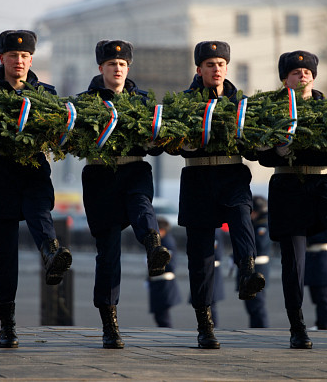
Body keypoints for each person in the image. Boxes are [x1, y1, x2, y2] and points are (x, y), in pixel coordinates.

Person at [0, 30, 72, 348]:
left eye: (25, 56)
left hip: (32, 171)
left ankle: (51, 253)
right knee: (4, 256)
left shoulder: (47, 94)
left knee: (39, 213)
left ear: (31, 59)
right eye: (13, 56)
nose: (19, 61)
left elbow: (62, 135)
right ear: (2, 58)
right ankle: (8, 325)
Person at [257, 50, 327, 349]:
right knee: (293, 264)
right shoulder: (271, 111)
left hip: (321, 175)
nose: (302, 75)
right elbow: (259, 154)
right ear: (284, 78)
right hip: (288, 182)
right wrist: (277, 150)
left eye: (306, 71)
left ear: (314, 76)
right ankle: (297, 326)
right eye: (294, 72)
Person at [79, 39, 171, 349]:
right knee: (108, 254)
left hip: (134, 169)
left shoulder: (144, 103)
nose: (117, 68)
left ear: (128, 68)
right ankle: (110, 323)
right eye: (111, 64)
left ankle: (153, 245)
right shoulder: (83, 103)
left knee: (141, 204)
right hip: (100, 176)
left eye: (122, 64)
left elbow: (158, 146)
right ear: (100, 68)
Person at [177, 40, 265, 349]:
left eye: (221, 64)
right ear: (199, 69)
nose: (217, 69)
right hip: (198, 178)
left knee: (242, 217)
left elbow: (255, 146)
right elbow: (168, 142)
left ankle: (248, 271)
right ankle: (205, 323)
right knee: (200, 257)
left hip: (231, 175)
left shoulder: (241, 103)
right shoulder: (184, 102)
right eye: (211, 64)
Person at [237, 196, 271, 328]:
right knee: (251, 305)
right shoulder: (256, 224)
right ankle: (255, 327)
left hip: (259, 267)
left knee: (257, 304)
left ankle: (261, 328)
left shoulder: (262, 225)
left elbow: (260, 244)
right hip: (253, 266)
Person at [148, 219, 181, 328]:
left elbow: (171, 265)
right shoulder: (163, 241)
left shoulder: (167, 243)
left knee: (163, 317)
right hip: (158, 282)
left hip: (164, 283)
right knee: (159, 315)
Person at [304, 231, 327, 330]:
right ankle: (321, 322)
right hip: (312, 255)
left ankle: (326, 323)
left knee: (324, 294)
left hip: (323, 256)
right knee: (316, 295)